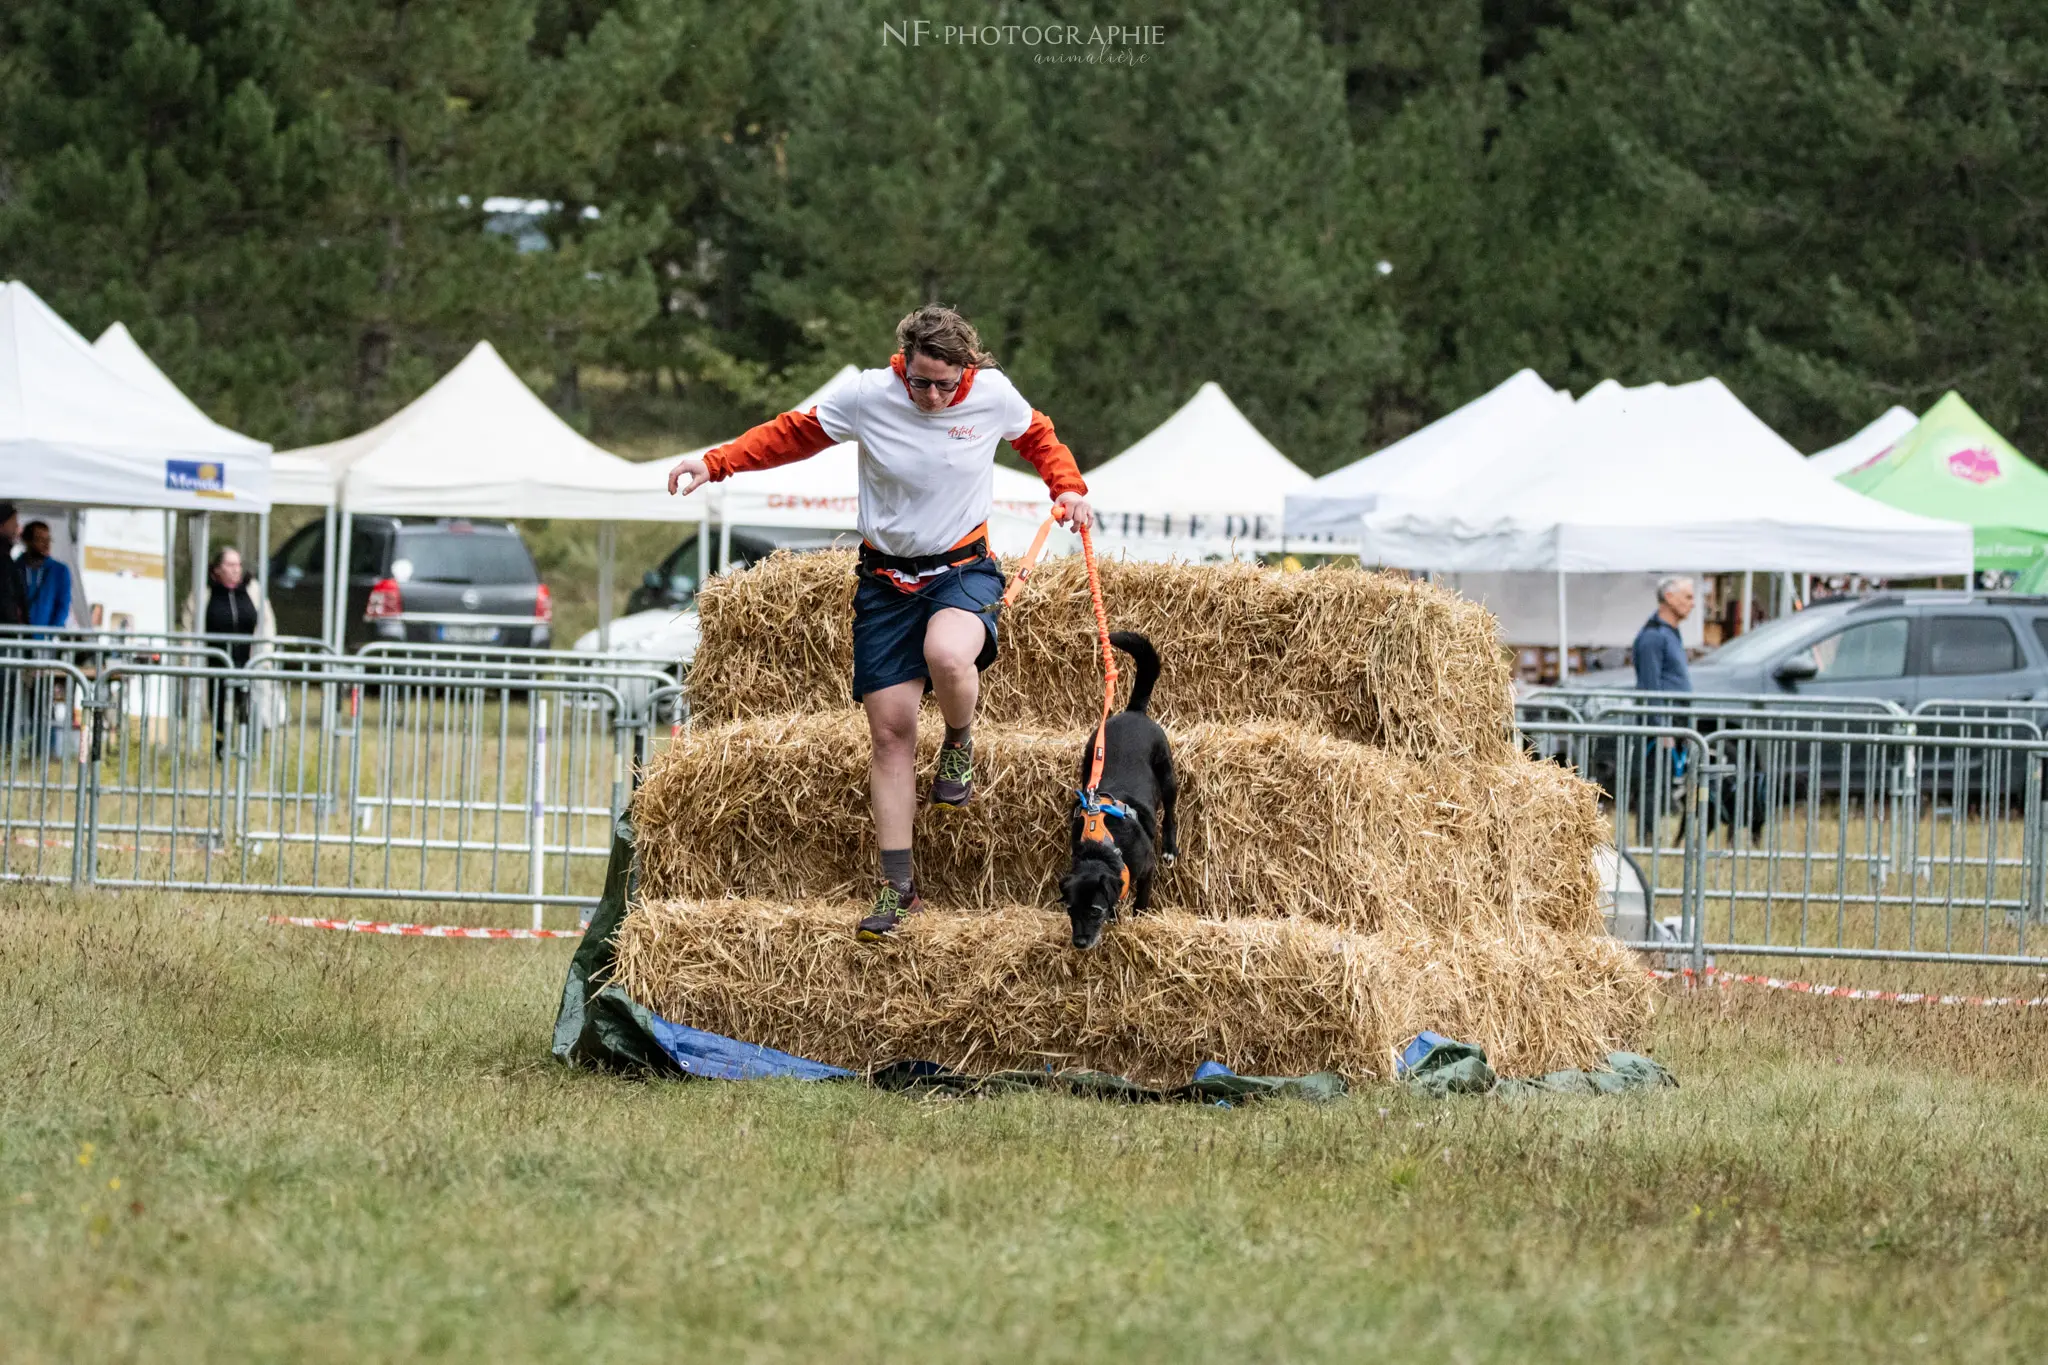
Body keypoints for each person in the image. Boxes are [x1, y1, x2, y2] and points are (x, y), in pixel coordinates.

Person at [668, 304, 1092, 939]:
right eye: (919, 381)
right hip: (885, 583)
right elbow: (792, 432)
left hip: (961, 569)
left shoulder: (993, 396)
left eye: (944, 385)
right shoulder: (869, 394)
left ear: (966, 372)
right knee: (890, 736)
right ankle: (898, 889)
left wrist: (1068, 486)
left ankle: (958, 740)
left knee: (950, 654)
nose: (929, 396)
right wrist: (715, 463)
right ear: (905, 364)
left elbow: (1038, 437)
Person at [1630, 577, 1695, 839]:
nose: (1692, 604)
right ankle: (1647, 839)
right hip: (1659, 726)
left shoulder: (1670, 634)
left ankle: (1653, 837)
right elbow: (1650, 686)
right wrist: (1661, 728)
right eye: (1688, 597)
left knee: (1663, 782)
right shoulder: (1652, 637)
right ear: (1669, 597)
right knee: (1652, 783)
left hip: (1674, 720)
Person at [20, 520, 72, 631]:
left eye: (48, 540)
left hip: (46, 640)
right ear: (27, 541)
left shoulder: (60, 571)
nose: (46, 544)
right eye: (40, 540)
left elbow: (63, 607)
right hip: (17, 637)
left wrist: (50, 635)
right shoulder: (15, 567)